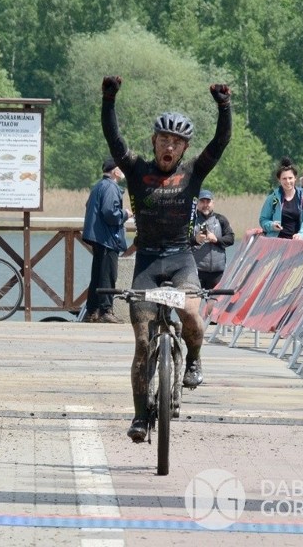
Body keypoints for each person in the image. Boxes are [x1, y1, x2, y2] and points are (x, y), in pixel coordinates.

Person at [101, 74, 232, 442]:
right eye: (163, 140)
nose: (169, 147)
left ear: (184, 148)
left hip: (180, 260)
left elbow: (220, 144)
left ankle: (193, 357)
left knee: (191, 314)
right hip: (147, 262)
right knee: (143, 341)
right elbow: (114, 139)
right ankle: (140, 416)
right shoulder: (137, 170)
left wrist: (224, 106)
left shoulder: (192, 173)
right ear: (154, 142)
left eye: (176, 142)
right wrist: (109, 100)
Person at [82, 157, 132, 324]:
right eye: (121, 168)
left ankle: (92, 311)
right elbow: (110, 213)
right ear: (115, 171)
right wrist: (125, 214)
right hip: (107, 238)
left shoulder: (98, 186)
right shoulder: (111, 187)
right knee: (108, 275)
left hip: (97, 237)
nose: (123, 171)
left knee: (97, 274)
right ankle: (105, 311)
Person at [259, 157, 303, 240]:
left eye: (290, 178)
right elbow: (263, 220)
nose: (288, 181)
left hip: (297, 243)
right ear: (279, 180)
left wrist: (302, 234)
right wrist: (272, 225)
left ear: (295, 178)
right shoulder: (272, 199)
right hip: (276, 243)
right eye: (284, 179)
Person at [192, 189, 235, 289]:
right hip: (196, 272)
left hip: (217, 272)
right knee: (194, 301)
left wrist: (216, 239)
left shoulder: (220, 219)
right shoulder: (191, 221)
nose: (205, 204)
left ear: (213, 203)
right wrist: (195, 239)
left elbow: (231, 239)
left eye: (208, 202)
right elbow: (182, 242)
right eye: (202, 201)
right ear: (198, 203)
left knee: (214, 302)